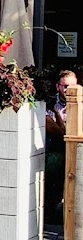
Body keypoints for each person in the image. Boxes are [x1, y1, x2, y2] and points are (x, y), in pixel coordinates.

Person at [45, 69, 78, 223]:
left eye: (72, 86)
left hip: (77, 147)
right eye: (65, 86)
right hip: (57, 147)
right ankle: (52, 211)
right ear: (58, 86)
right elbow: (54, 131)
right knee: (53, 164)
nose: (68, 90)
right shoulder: (50, 103)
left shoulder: (80, 102)